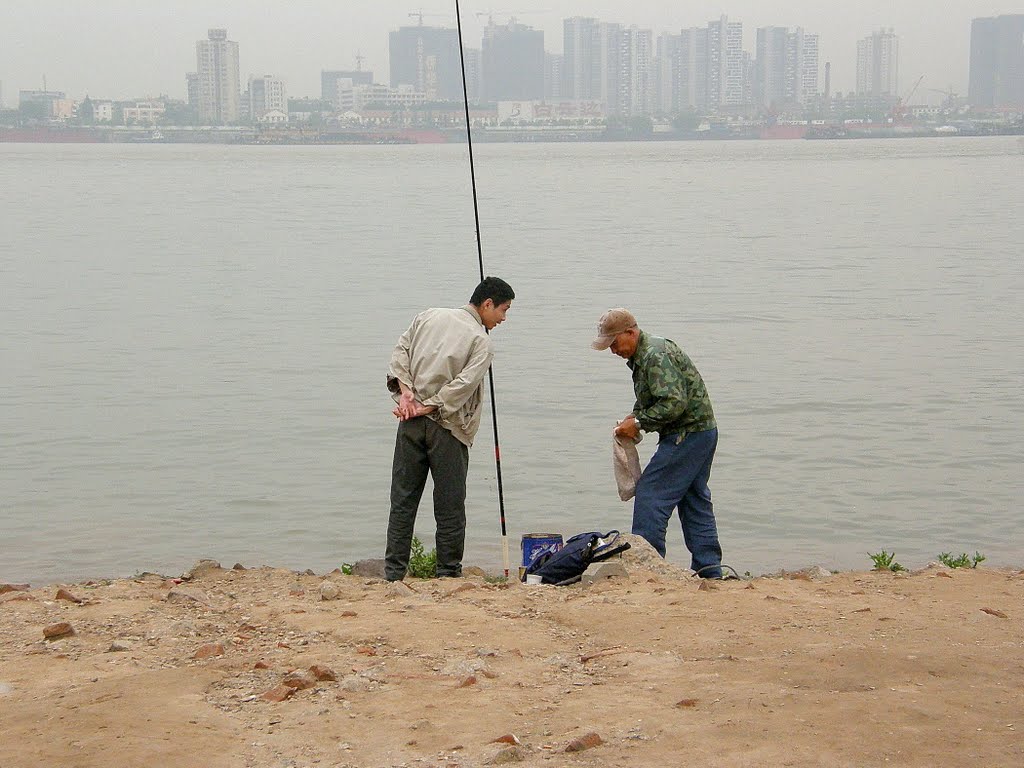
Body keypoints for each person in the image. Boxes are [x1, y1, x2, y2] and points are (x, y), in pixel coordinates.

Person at [384, 277, 515, 582]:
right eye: (503, 310)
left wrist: (407, 394)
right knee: (450, 505)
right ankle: (448, 574)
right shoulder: (481, 341)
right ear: (487, 304)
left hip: (410, 424)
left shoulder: (428, 316)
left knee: (402, 500)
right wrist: (428, 406)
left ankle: (393, 574)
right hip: (449, 430)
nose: (503, 319)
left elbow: (399, 354)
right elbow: (464, 385)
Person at [592, 308, 723, 578]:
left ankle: (646, 569)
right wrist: (635, 415)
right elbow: (655, 397)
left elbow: (674, 403)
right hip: (702, 432)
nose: (613, 351)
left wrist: (639, 424)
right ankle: (710, 570)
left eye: (614, 343)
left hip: (687, 434)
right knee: (694, 500)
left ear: (630, 332)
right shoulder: (643, 355)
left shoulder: (654, 355)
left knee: (651, 495)